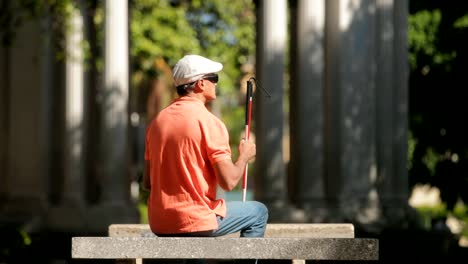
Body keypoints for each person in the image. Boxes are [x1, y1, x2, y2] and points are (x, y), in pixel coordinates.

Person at [143, 54, 268, 239]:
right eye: (213, 79)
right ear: (200, 83)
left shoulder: (156, 123)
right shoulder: (209, 122)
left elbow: (147, 182)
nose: (216, 83)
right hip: (195, 220)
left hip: (159, 223)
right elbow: (229, 182)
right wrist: (244, 156)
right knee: (258, 211)